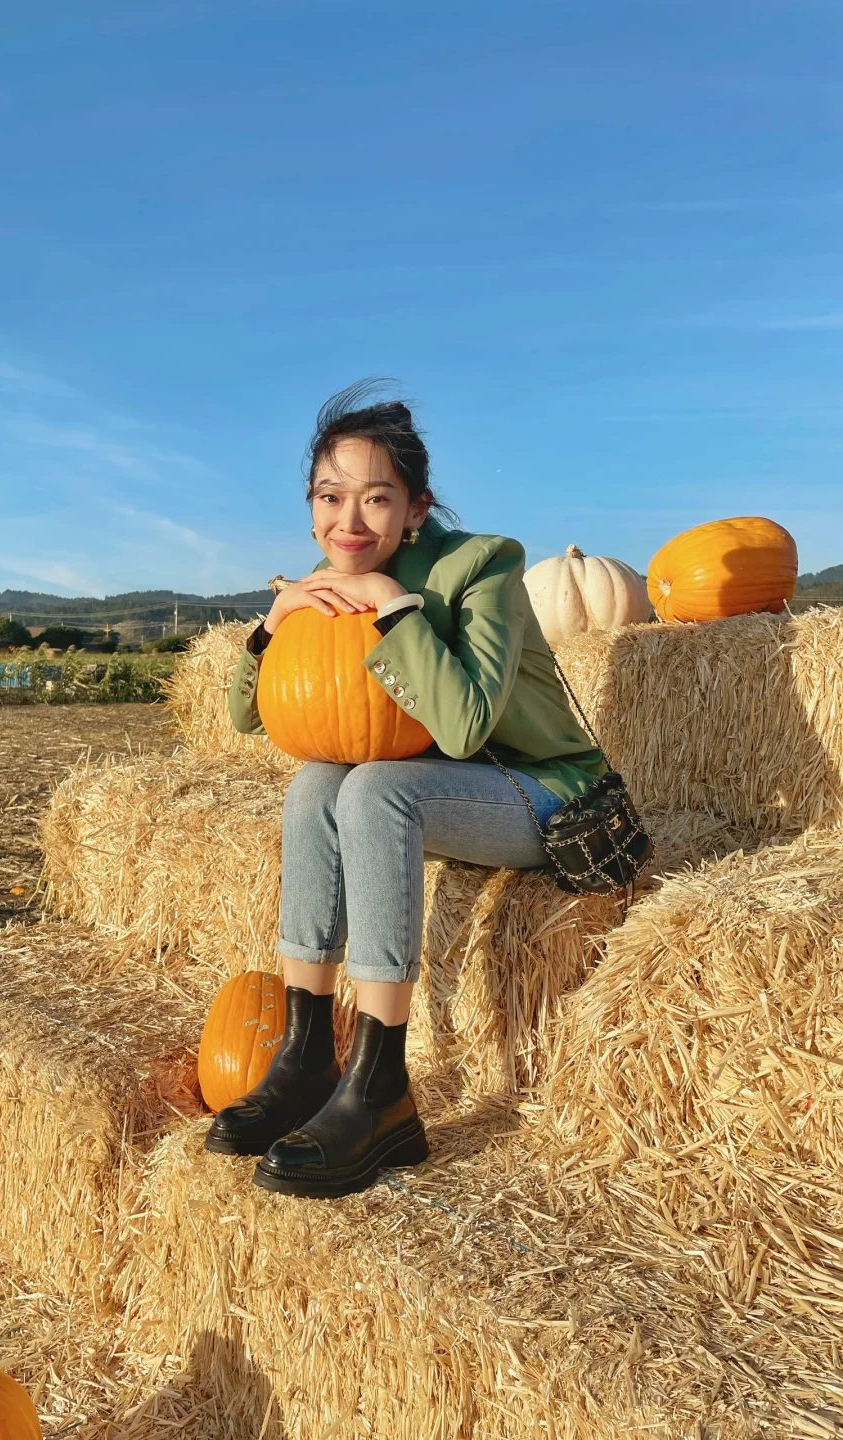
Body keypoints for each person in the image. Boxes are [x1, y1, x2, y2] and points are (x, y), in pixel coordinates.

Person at [204, 383, 607, 1199]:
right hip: (449, 786)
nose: (349, 521)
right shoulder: (324, 579)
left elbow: (461, 729)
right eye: (330, 496)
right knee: (319, 783)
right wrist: (273, 623)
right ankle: (308, 1054)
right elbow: (247, 717)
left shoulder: (480, 566)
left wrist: (394, 609)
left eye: (376, 499)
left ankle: (383, 1087)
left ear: (416, 510)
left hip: (540, 792)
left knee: (375, 792)